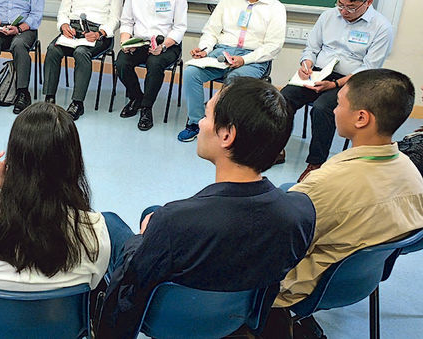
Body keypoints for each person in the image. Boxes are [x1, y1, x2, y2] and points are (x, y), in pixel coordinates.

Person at [98, 78, 315, 339]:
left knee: (107, 222)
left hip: (169, 320)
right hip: (235, 316)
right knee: (153, 212)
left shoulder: (174, 221)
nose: (200, 123)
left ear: (227, 135)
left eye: (207, 115)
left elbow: (132, 283)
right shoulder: (300, 213)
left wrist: (143, 238)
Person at [272, 69, 423, 312]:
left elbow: (278, 245)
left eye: (339, 104)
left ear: (361, 118)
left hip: (303, 289)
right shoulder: (412, 174)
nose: (333, 110)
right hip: (362, 280)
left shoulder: (323, 184)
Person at [0, 102, 110, 291]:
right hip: (63, 311)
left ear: (14, 157)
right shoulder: (94, 230)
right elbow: (93, 284)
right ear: (72, 162)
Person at [280, 0, 394, 181]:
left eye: (351, 7)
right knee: (283, 98)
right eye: (340, 4)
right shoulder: (328, 16)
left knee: (322, 108)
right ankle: (276, 149)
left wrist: (334, 84)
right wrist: (306, 64)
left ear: (368, 2)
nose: (343, 11)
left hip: (354, 81)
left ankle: (316, 163)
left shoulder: (381, 28)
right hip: (319, 72)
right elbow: (311, 48)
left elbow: (369, 69)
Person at [178, 0, 286, 142]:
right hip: (222, 51)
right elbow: (211, 31)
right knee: (191, 73)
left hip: (253, 58)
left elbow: (273, 46)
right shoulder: (228, 0)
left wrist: (245, 60)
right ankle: (196, 123)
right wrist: (205, 49)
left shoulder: (276, 8)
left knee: (234, 80)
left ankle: (222, 126)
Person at [42, 0, 124, 120]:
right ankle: (49, 99)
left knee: (81, 52)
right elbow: (63, 12)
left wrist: (100, 33)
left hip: (98, 34)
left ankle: (77, 103)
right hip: (73, 30)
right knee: (52, 49)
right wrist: (64, 26)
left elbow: (115, 20)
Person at [115, 0, 187, 131]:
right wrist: (125, 41)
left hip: (167, 44)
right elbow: (126, 21)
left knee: (155, 64)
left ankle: (146, 109)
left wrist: (163, 46)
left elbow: (179, 27)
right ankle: (136, 97)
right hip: (140, 42)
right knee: (121, 62)